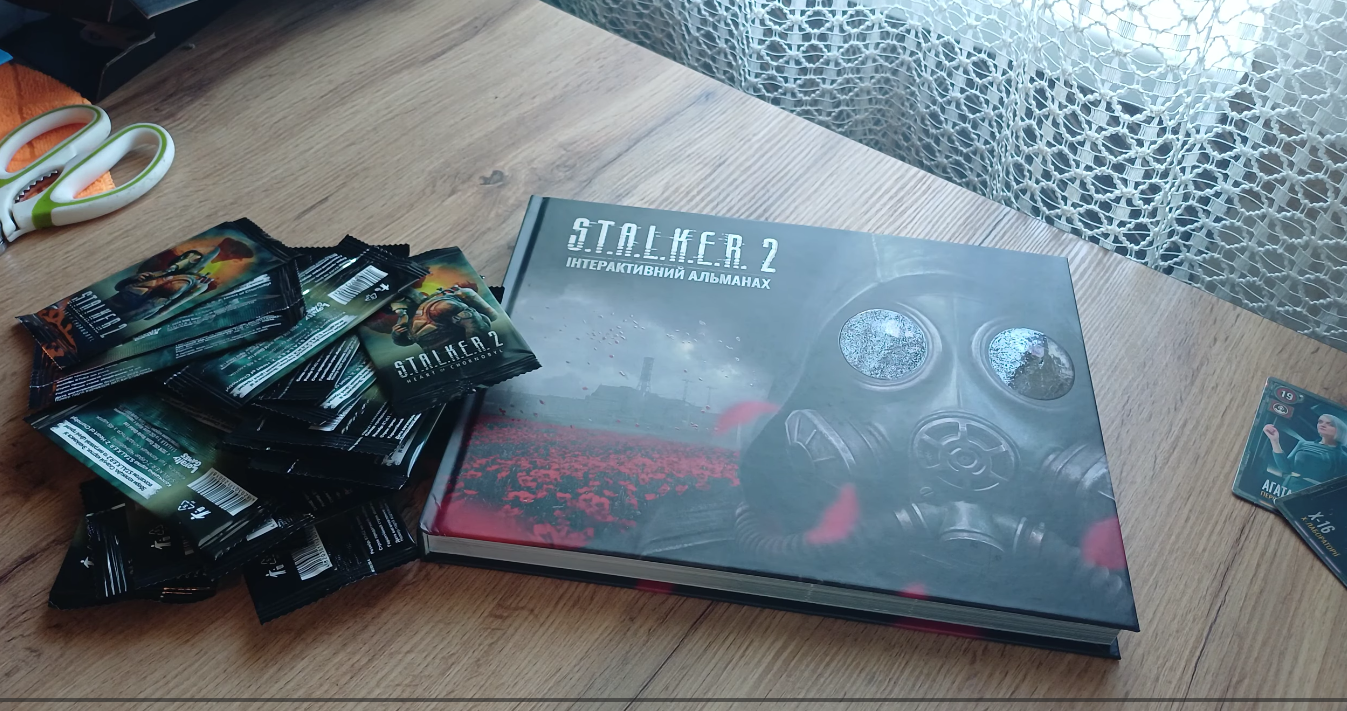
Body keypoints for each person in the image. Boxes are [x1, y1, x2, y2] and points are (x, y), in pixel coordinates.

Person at [1263, 414, 1347, 491]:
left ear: (1340, 430)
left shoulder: (1342, 456)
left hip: (1312, 493)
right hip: (1288, 487)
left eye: (1330, 424)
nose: (1323, 425)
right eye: (1320, 422)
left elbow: (1338, 486)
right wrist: (1274, 441)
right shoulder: (1303, 444)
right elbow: (1286, 468)